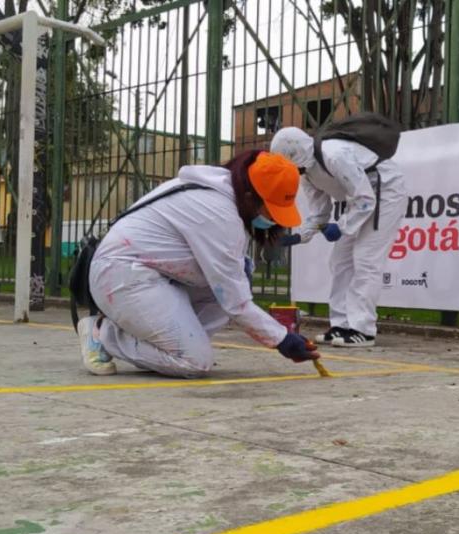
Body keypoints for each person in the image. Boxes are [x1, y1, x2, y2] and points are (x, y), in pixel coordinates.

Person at [76, 150, 320, 377]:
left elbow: (230, 290)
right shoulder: (218, 212)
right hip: (122, 275)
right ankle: (103, 334)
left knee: (239, 276)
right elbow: (236, 302)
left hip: (151, 275)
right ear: (250, 195)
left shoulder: (219, 193)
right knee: (195, 361)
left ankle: (175, 343)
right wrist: (282, 339)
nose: (272, 220)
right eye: (270, 211)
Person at [270, 126, 407, 348]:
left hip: (386, 193)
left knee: (366, 259)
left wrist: (341, 227)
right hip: (360, 201)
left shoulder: (335, 155)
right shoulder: (305, 173)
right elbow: (319, 214)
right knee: (339, 261)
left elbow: (365, 199)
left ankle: (363, 330)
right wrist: (298, 237)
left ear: (296, 155)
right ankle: (341, 325)